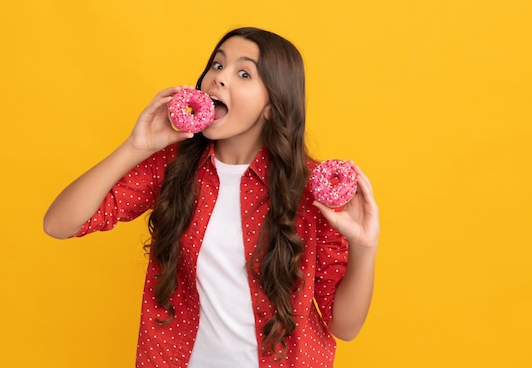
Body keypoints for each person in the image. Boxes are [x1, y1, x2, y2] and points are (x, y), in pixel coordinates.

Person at [43, 27, 379, 368]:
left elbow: (345, 327)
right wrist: (135, 147)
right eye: (217, 65)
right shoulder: (174, 165)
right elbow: (59, 224)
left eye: (243, 73)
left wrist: (364, 247)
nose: (218, 78)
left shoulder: (310, 189)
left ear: (271, 105)